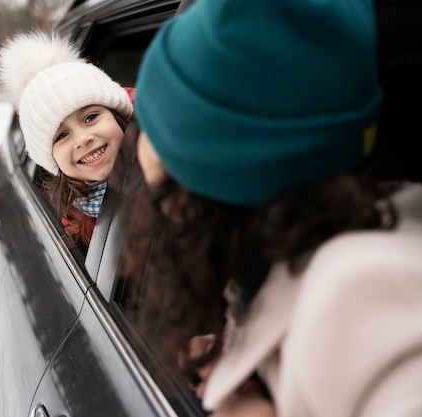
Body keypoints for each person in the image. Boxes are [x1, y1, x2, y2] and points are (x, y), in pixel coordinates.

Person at [122, 0, 422, 416]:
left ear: (204, 175)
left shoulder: (362, 294)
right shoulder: (279, 250)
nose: (138, 144)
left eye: (151, 125)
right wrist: (254, 356)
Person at [0, 32, 134, 247]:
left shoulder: (174, 156)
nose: (83, 139)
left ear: (118, 115)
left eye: (91, 117)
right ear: (51, 159)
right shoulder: (76, 216)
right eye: (61, 135)